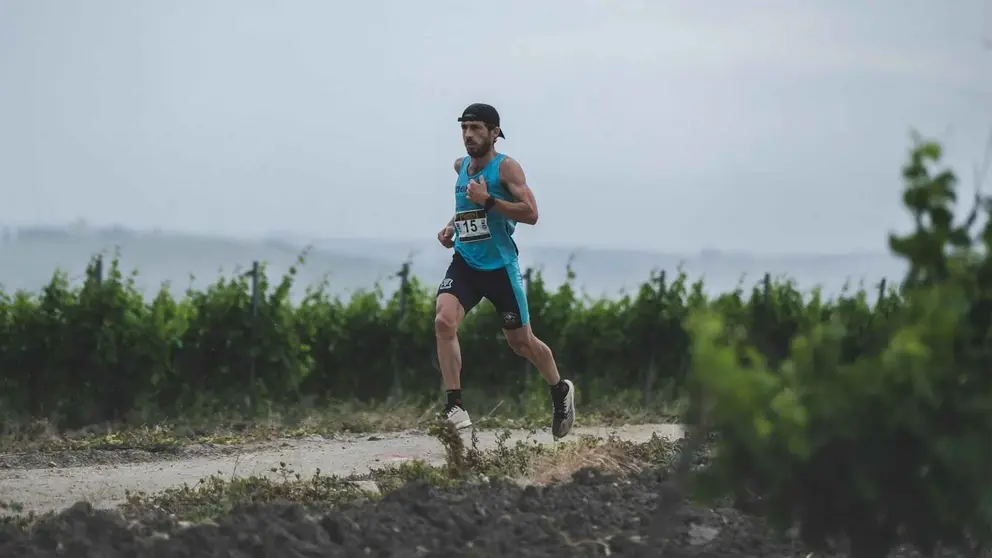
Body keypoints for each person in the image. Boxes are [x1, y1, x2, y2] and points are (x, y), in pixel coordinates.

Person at [434, 102, 575, 440]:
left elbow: (531, 213)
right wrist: (451, 227)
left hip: (499, 269)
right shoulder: (460, 167)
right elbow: (466, 207)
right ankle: (454, 406)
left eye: (477, 128)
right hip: (466, 263)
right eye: (464, 128)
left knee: (521, 343)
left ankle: (560, 391)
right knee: (443, 321)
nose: (468, 135)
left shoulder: (506, 169)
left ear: (494, 133)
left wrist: (489, 201)